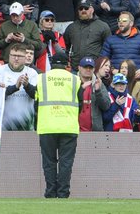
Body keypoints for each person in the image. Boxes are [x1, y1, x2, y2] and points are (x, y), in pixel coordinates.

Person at [35, 50, 81, 198]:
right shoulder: (75, 80)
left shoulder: (41, 79)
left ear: (52, 63)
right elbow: (80, 103)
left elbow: (36, 102)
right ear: (67, 64)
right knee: (66, 163)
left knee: (49, 162)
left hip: (47, 125)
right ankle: (63, 193)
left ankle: (50, 193)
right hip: (69, 126)